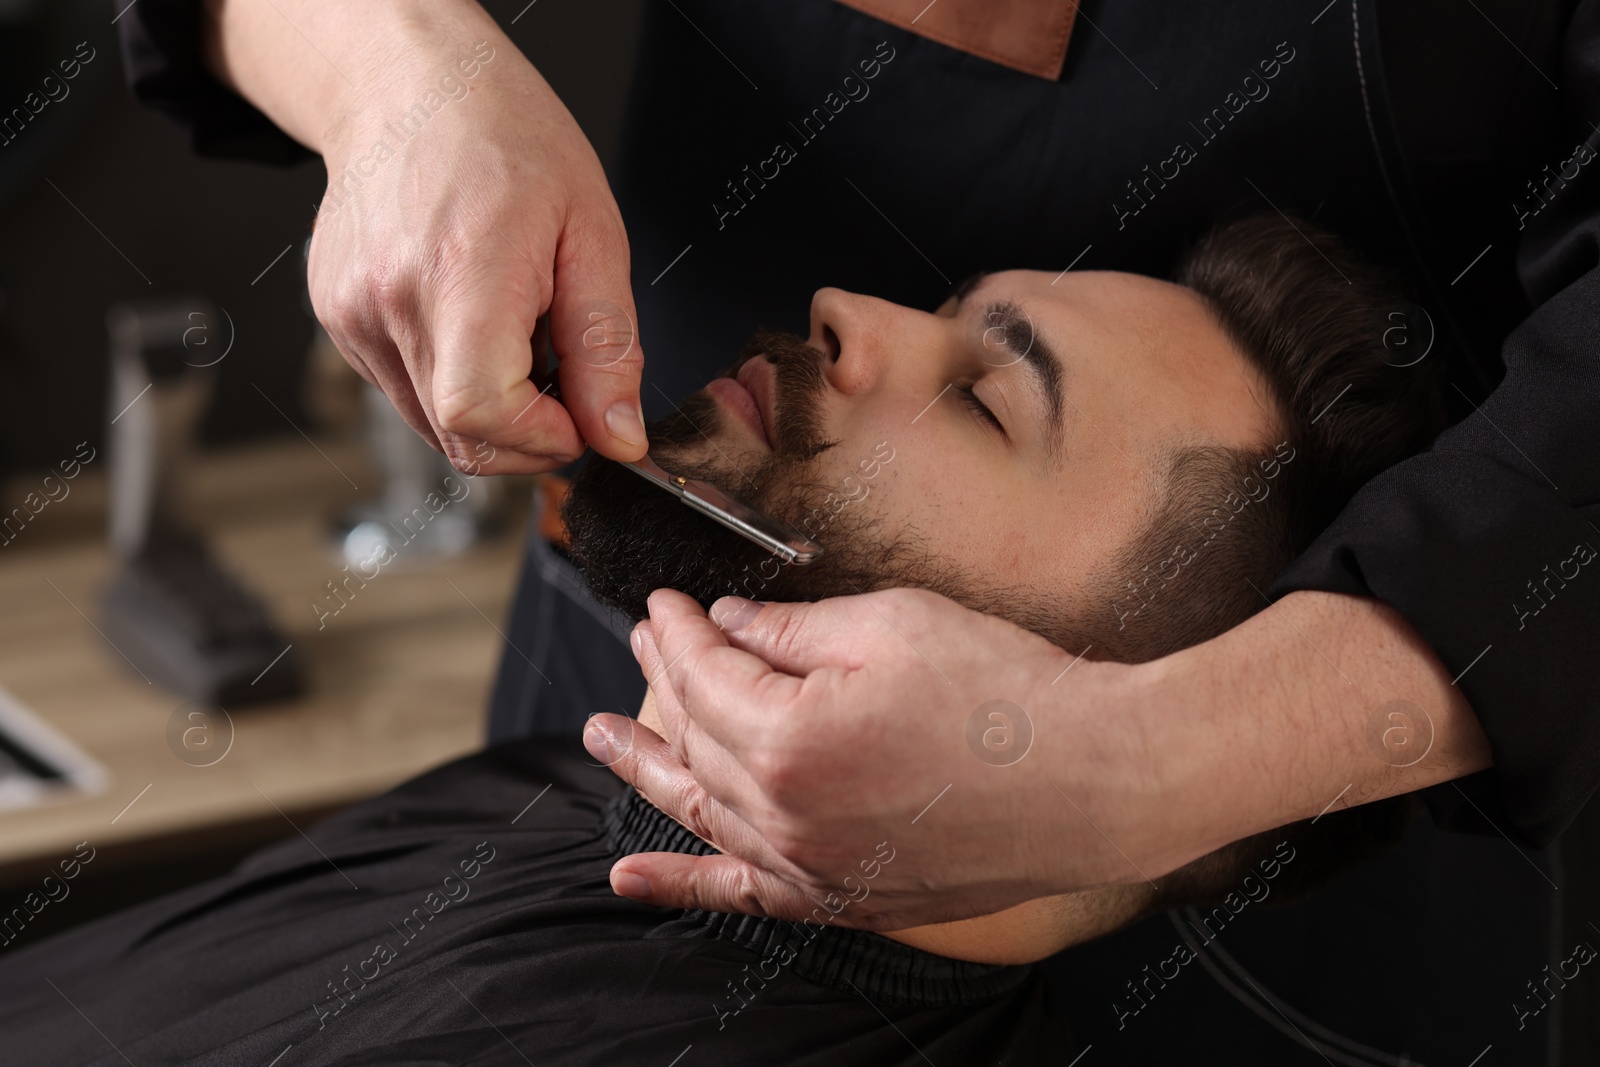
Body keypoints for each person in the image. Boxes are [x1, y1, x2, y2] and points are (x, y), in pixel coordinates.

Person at [118, 0, 1600, 1058]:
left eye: (986, 396)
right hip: (623, 662)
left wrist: (1157, 759)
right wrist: (395, 70)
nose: (843, 299)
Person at [0, 217, 1427, 1065]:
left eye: (990, 400)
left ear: (1098, 706)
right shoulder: (561, 789)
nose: (848, 311)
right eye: (945, 321)